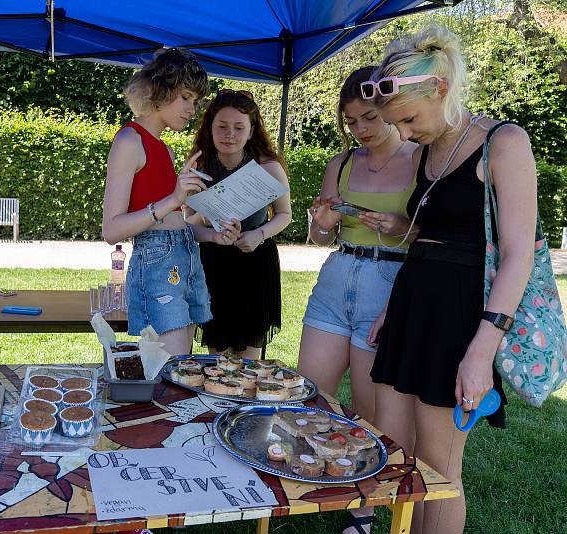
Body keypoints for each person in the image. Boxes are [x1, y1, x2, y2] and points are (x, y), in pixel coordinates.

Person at [367, 24, 537, 534]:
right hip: (412, 305)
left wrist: (481, 351)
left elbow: (516, 257)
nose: (405, 133)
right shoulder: (425, 150)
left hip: (461, 319)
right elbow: (429, 235)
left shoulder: (503, 142)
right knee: (398, 454)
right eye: (398, 125)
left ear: (441, 88)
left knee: (439, 471)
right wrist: (391, 309)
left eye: (410, 121)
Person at [102, 48, 240, 356]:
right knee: (170, 370)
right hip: (157, 265)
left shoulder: (164, 150)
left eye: (196, 100)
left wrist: (213, 236)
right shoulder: (129, 141)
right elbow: (111, 230)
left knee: (182, 367)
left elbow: (173, 223)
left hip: (185, 257)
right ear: (159, 91)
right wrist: (174, 198)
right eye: (186, 97)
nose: (193, 108)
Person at [299, 66, 416, 421]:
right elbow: (321, 239)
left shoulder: (421, 158)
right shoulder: (341, 162)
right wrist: (322, 225)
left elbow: (439, 236)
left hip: (389, 284)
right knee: (306, 399)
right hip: (337, 278)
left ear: (391, 108)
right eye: (351, 122)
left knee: (373, 415)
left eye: (369, 117)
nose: (360, 129)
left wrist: (401, 227)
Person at [185, 89, 291, 358]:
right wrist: (211, 228)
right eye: (221, 126)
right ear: (209, 128)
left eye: (238, 127)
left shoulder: (269, 167)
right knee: (217, 357)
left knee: (249, 361)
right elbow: (188, 223)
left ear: (252, 130)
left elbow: (284, 215)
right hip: (214, 263)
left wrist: (259, 234)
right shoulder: (198, 168)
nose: (229, 134)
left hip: (256, 262)